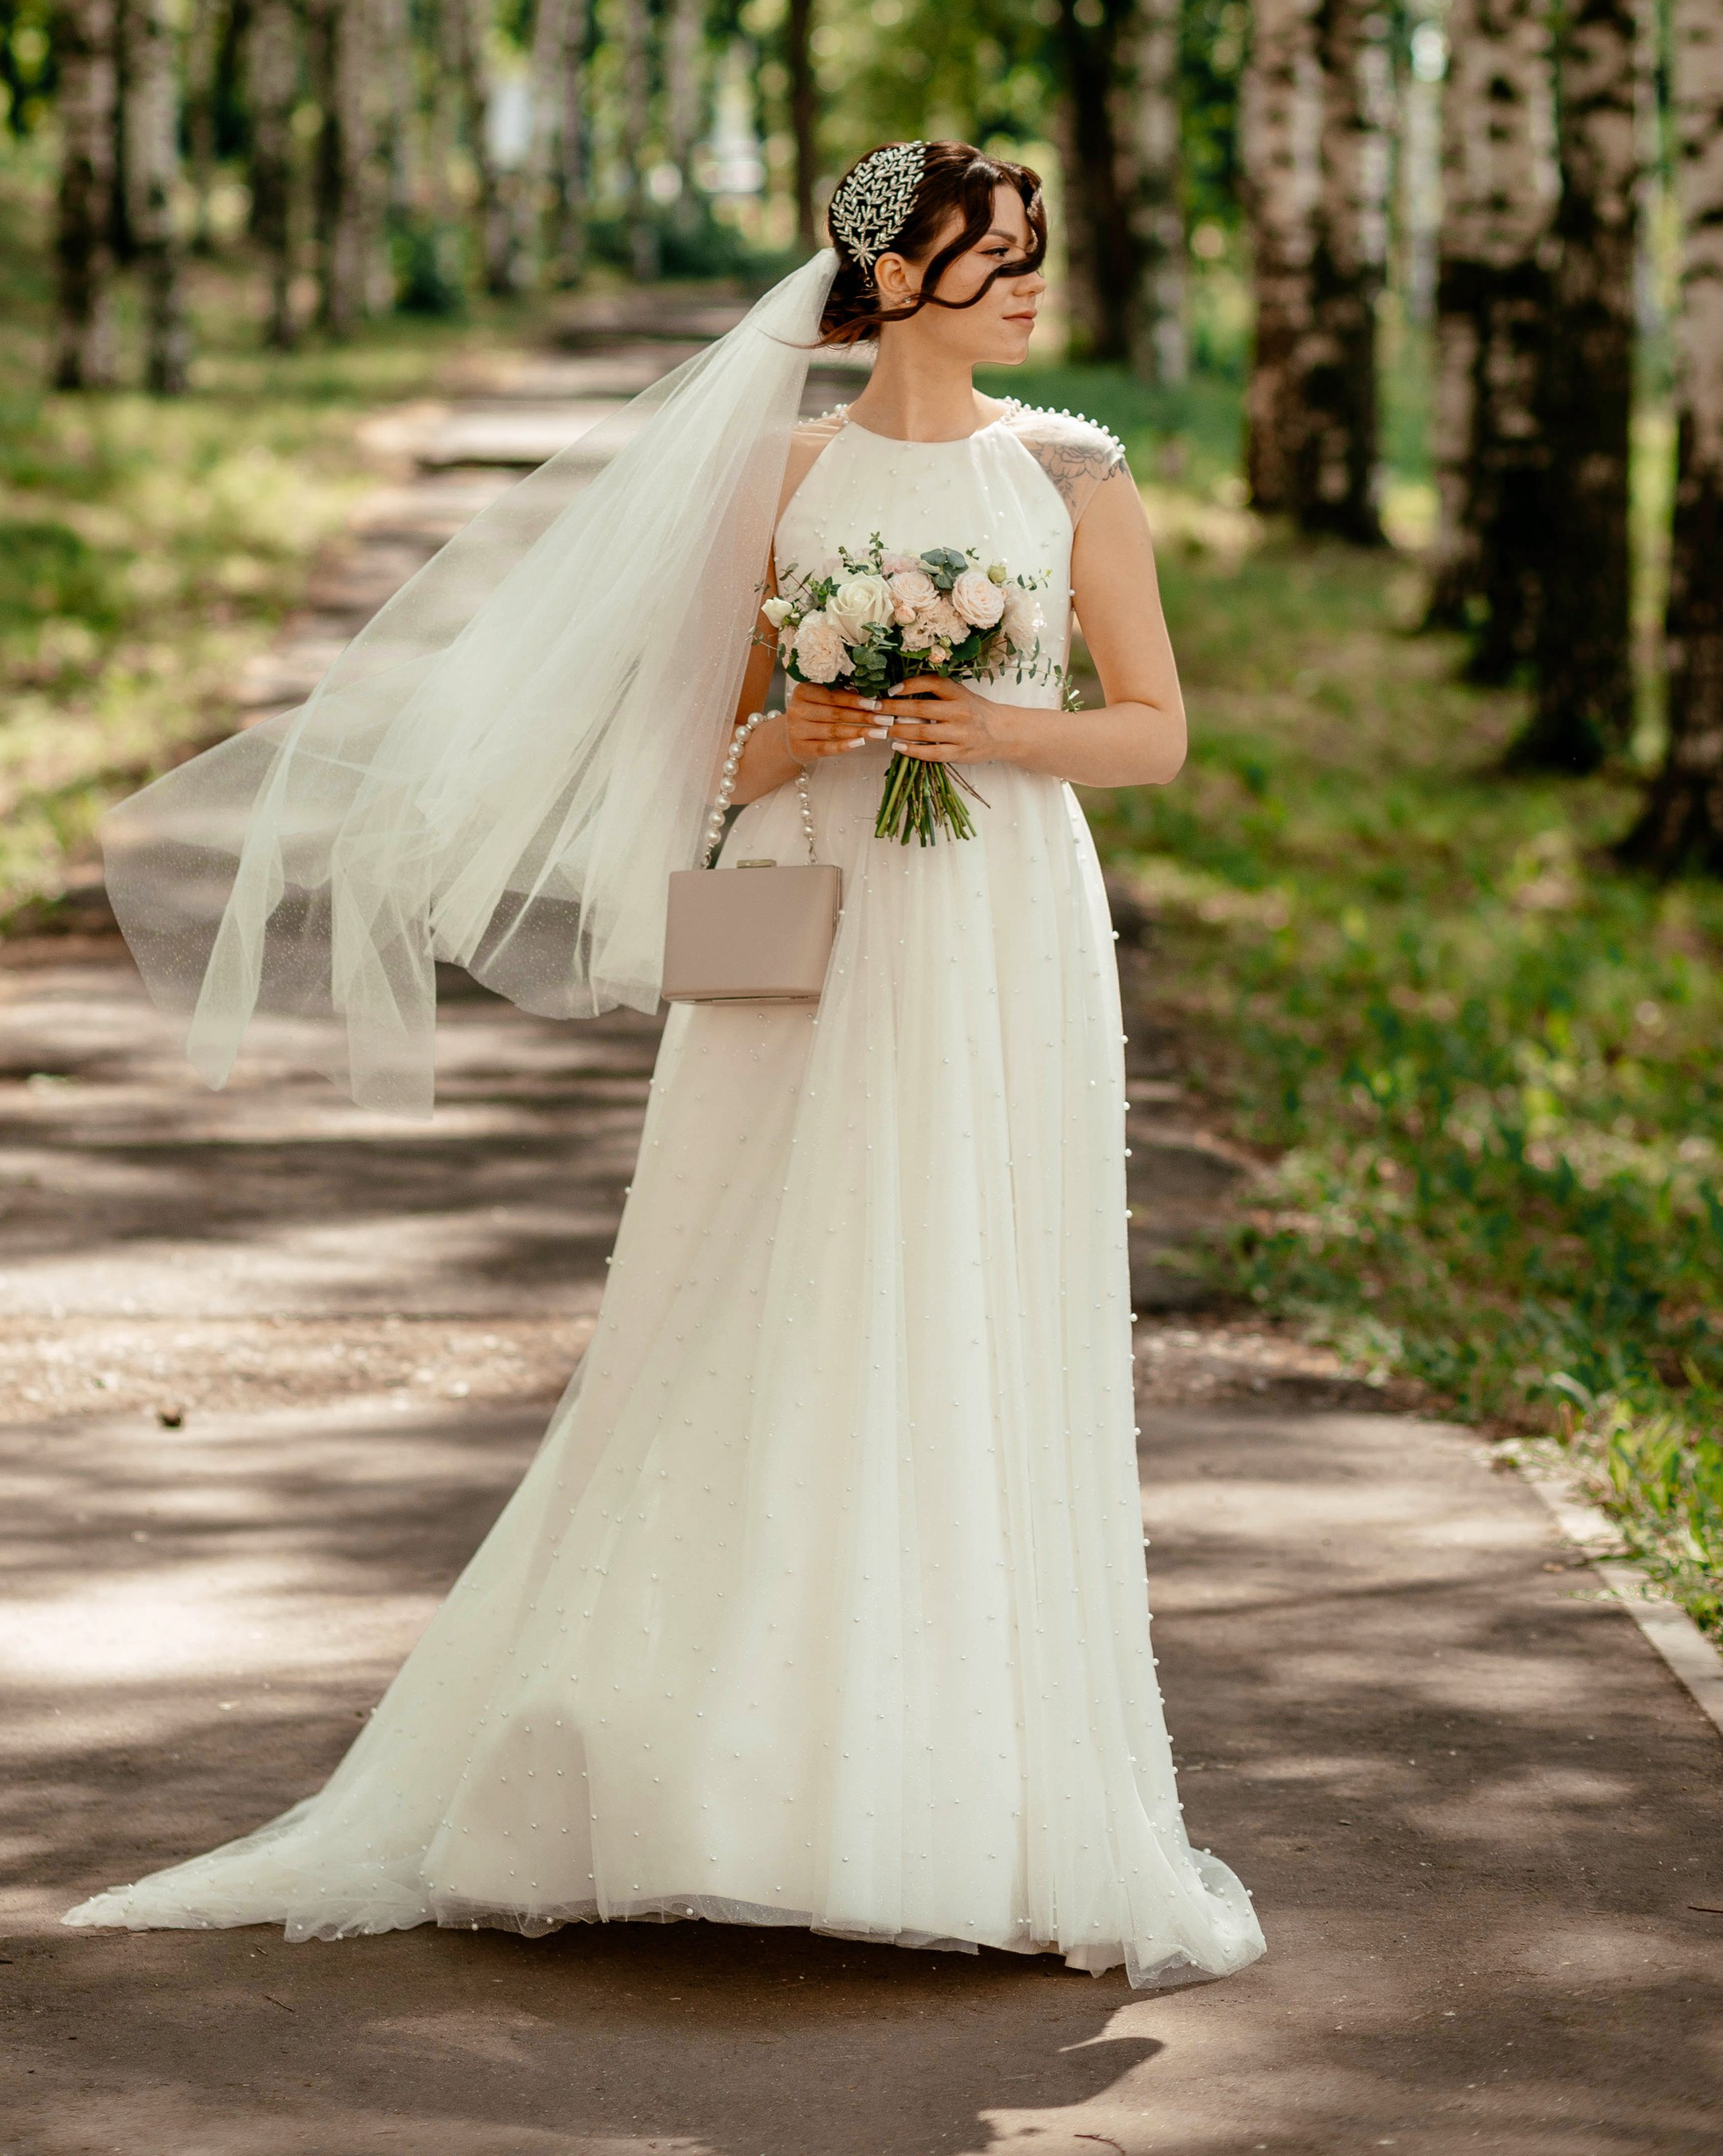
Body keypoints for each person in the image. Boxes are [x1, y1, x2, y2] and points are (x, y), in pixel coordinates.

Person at [69, 141, 1263, 1989]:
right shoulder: (777, 475)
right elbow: (693, 754)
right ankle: (701, 1774)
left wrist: (999, 729)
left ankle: (964, 1793)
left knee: (973, 1290)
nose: (1030, 279)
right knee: (760, 1280)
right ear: (894, 277)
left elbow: (1158, 731)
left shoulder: (1072, 473)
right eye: (994, 252)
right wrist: (798, 736)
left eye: (1035, 249)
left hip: (1001, 918)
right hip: (808, 907)